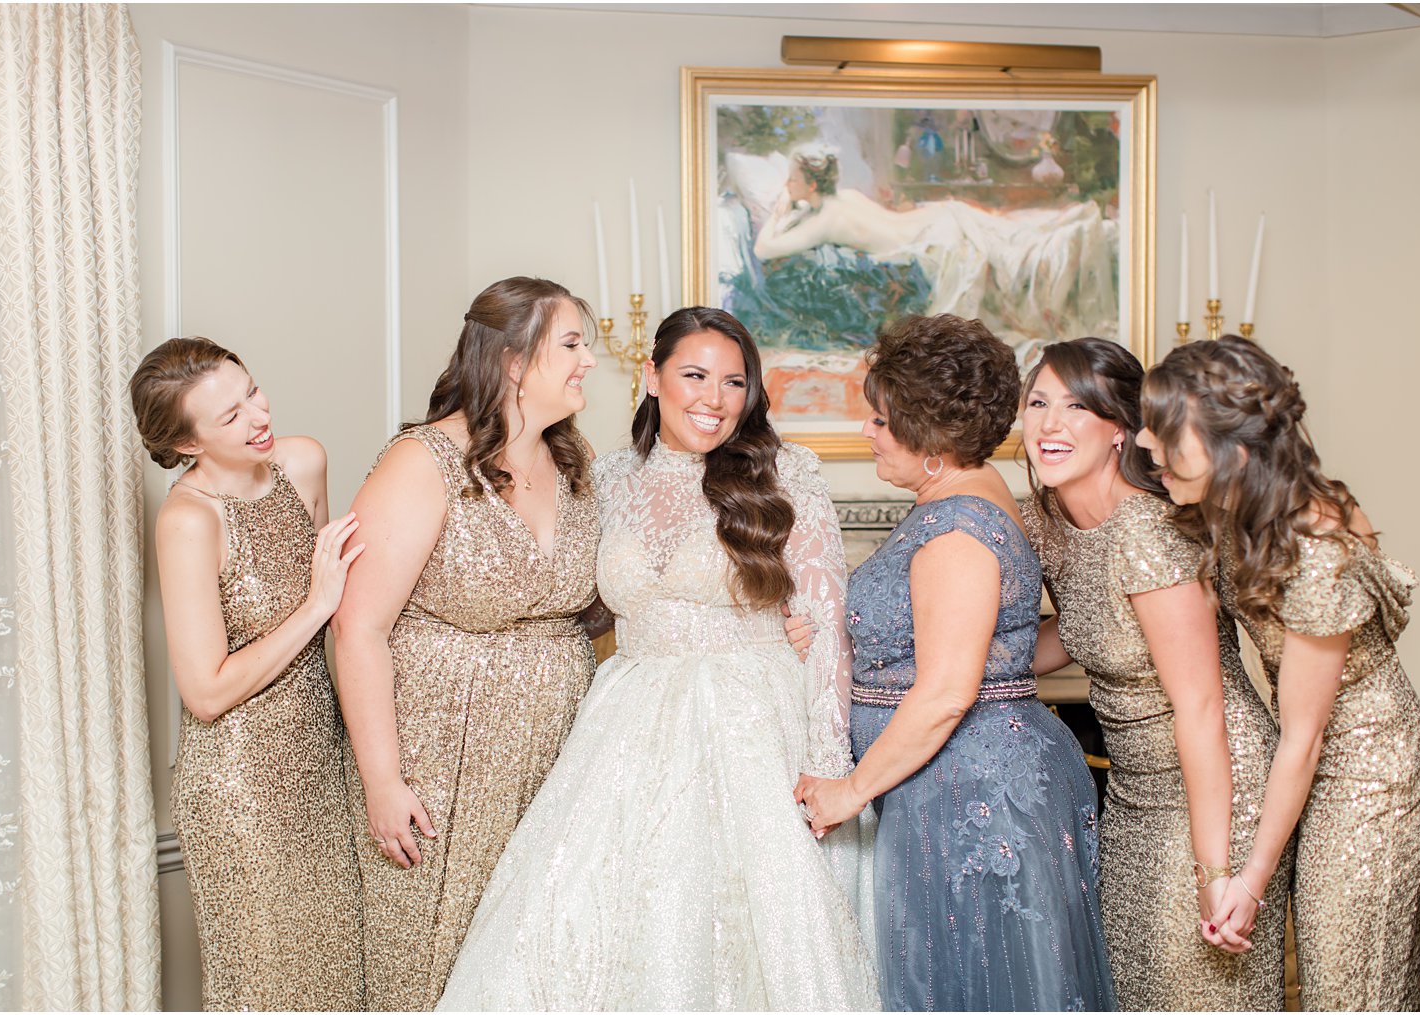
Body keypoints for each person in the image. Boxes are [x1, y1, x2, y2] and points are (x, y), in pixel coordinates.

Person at [436, 307, 879, 1011]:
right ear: (652, 376)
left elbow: (826, 623)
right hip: (629, 721)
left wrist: (827, 760)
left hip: (754, 718)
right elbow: (578, 600)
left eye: (734, 382)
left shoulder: (786, 471)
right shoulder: (604, 478)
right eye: (695, 375)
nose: (714, 397)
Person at [795, 314, 1115, 1012]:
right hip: (960, 777)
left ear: (927, 436)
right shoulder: (987, 499)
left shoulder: (957, 531)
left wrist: (848, 791)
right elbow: (1003, 647)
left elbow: (945, 691)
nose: (867, 433)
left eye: (880, 420)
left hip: (969, 791)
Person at [1138, 336, 1420, 1011]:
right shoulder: (1237, 510)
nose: (1145, 442)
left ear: (1236, 450)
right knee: (1365, 972)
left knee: (1347, 984)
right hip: (1324, 751)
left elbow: (1304, 737)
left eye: (1165, 431)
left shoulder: (1311, 548)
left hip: (1376, 768)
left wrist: (1249, 879)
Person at [332, 277, 602, 1010]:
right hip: (442, 757)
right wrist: (383, 780)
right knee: (432, 959)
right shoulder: (423, 461)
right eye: (572, 343)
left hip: (555, 760)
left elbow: (597, 610)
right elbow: (358, 626)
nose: (588, 362)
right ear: (515, 361)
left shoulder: (576, 464)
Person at [1018, 337, 1289, 1009]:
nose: (1049, 425)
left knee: (1193, 988)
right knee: (1137, 987)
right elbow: (1076, 634)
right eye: (1038, 402)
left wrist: (1216, 869)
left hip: (1216, 785)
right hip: (1136, 790)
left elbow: (1202, 705)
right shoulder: (1051, 520)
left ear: (1119, 429)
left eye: (1076, 407)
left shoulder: (1148, 531)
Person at [131, 337, 364, 1010]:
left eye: (252, 392)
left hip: (323, 763)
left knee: (339, 984)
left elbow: (345, 620)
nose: (259, 416)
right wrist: (317, 603)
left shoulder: (303, 462)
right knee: (268, 987)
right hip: (242, 793)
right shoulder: (188, 519)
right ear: (186, 445)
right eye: (230, 417)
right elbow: (204, 691)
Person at [749, 150, 1116, 365]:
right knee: (1018, 239)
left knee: (1021, 257)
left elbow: (763, 249)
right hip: (942, 218)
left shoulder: (824, 220)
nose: (787, 186)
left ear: (811, 185)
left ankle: (1068, 241)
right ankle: (1066, 233)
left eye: (793, 180)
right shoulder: (843, 199)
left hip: (939, 243)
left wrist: (779, 214)